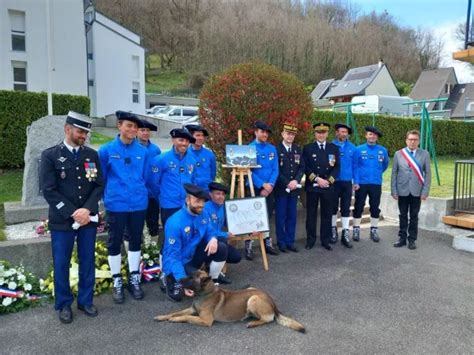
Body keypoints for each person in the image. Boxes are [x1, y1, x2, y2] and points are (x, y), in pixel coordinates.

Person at [40, 111, 104, 323]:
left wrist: (87, 210)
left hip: (87, 220)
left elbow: (98, 185)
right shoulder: (50, 156)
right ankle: (64, 304)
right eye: (80, 131)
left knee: (87, 260)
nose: (83, 136)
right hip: (62, 220)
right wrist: (72, 212)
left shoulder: (91, 156)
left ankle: (86, 301)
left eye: (85, 132)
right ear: (67, 129)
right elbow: (48, 190)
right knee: (61, 262)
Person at [98, 111, 149, 304]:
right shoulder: (106, 150)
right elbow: (101, 178)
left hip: (138, 203)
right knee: (115, 241)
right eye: (129, 126)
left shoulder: (142, 152)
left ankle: (134, 278)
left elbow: (145, 177)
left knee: (135, 240)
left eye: (135, 127)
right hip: (116, 204)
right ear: (119, 126)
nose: (132, 130)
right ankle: (117, 280)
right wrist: (106, 199)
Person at [162, 184, 229, 302]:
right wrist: (182, 281)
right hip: (179, 261)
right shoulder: (175, 223)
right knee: (180, 296)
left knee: (221, 247)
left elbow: (210, 230)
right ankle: (168, 277)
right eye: (197, 201)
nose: (201, 205)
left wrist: (213, 239)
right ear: (187, 200)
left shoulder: (202, 213)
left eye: (203, 202)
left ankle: (212, 280)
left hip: (193, 255)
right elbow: (173, 256)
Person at [147, 128, 196, 228]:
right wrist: (163, 198)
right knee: (171, 235)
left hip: (186, 205)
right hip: (169, 205)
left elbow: (192, 181)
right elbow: (153, 184)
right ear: (173, 140)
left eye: (187, 141)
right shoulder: (160, 159)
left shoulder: (192, 160)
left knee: (186, 233)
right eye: (181, 140)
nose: (184, 144)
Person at [391, 130, 431, 250]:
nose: (412, 142)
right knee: (402, 215)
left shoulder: (424, 154)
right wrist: (394, 190)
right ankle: (402, 238)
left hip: (416, 191)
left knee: (414, 216)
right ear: (406, 140)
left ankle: (412, 239)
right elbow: (394, 173)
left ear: (418, 141)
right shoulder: (399, 154)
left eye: (415, 140)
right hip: (402, 190)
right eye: (410, 139)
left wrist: (425, 192)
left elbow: (428, 174)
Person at [303, 122, 340, 251]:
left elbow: (336, 168)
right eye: (318, 132)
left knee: (327, 214)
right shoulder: (308, 148)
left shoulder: (333, 148)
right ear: (315, 133)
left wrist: (328, 181)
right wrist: (317, 179)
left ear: (327, 134)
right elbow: (305, 167)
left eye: (323, 132)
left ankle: (325, 240)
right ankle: (311, 240)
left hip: (328, 187)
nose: (321, 135)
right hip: (313, 186)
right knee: (311, 215)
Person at [247, 121, 279, 259]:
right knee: (251, 217)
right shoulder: (250, 148)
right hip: (254, 187)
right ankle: (248, 245)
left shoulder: (272, 148)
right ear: (256, 132)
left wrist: (270, 185)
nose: (265, 134)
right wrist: (262, 185)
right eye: (262, 131)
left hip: (270, 188)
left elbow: (275, 169)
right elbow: (248, 171)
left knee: (267, 215)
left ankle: (267, 242)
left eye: (266, 132)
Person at [352, 126, 389, 243]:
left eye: (374, 135)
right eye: (370, 134)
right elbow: (355, 167)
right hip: (361, 183)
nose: (372, 137)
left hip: (375, 183)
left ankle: (374, 229)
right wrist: (356, 181)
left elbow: (384, 165)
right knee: (359, 206)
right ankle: (356, 229)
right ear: (366, 136)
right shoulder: (358, 149)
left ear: (377, 137)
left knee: (374, 207)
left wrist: (376, 174)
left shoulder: (382, 150)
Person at [274, 121, 305, 253]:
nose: (290, 136)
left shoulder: (298, 149)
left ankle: (290, 242)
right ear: (282, 134)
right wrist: (287, 182)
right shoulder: (276, 150)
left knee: (292, 216)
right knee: (280, 217)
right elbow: (276, 170)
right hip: (282, 189)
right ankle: (281, 243)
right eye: (288, 133)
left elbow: (302, 167)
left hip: (294, 189)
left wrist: (296, 180)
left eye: (292, 134)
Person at [204, 181, 242, 284]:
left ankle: (212, 268)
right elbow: (207, 231)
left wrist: (246, 230)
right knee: (222, 244)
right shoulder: (205, 208)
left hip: (218, 241)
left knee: (236, 256)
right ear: (210, 194)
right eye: (217, 194)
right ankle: (213, 276)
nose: (221, 197)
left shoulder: (223, 207)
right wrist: (225, 234)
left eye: (223, 194)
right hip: (205, 242)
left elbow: (233, 223)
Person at [331, 123, 356, 248]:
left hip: (346, 182)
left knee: (346, 207)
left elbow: (355, 166)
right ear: (336, 133)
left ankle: (345, 232)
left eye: (345, 132)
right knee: (333, 207)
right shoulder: (330, 146)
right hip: (333, 181)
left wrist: (355, 181)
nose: (343, 134)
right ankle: (333, 229)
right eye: (341, 132)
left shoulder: (352, 148)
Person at [136, 120, 161, 237]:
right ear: (136, 131)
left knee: (153, 223)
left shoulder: (155, 150)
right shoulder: (133, 148)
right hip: (137, 193)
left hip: (152, 193)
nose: (145, 133)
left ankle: (152, 251)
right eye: (142, 130)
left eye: (147, 131)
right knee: (136, 224)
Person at [185, 124, 217, 192]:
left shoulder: (209, 155)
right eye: (197, 135)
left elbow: (213, 174)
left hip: (206, 190)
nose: (200, 138)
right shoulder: (184, 154)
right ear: (191, 136)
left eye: (202, 136)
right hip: (190, 190)